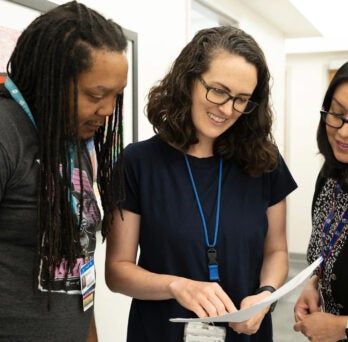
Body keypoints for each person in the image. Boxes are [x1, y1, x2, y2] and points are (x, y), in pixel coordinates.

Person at [105, 25, 297, 341]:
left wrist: (266, 293)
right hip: (160, 332)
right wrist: (175, 285)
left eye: (242, 99)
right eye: (218, 91)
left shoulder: (264, 162)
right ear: (189, 80)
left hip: (244, 333)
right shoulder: (138, 162)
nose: (227, 109)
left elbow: (276, 251)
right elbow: (118, 271)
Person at [0, 1, 128, 341]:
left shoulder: (70, 140)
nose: (108, 110)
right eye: (96, 94)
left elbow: (79, 271)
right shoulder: (6, 134)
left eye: (117, 95)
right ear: (50, 80)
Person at [293, 62, 348, 342]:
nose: (343, 132)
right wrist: (316, 283)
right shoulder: (331, 178)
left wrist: (341, 327)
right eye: (338, 114)